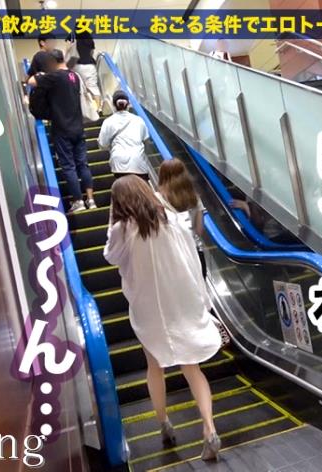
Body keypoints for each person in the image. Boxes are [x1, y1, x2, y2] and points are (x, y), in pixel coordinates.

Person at [103, 175, 222, 461]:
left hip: (148, 308)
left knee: (154, 366)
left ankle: (164, 424)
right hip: (181, 301)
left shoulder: (122, 228)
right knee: (192, 367)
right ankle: (209, 429)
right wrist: (203, 299)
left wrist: (112, 218)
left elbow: (111, 256)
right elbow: (192, 258)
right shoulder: (171, 218)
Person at [27, 49, 95, 213]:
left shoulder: (55, 76)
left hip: (62, 129)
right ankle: (91, 200)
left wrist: (42, 74)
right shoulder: (74, 76)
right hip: (78, 128)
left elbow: (31, 81)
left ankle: (78, 201)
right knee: (83, 164)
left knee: (69, 166)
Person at [157, 159, 206, 275]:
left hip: (172, 255)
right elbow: (199, 230)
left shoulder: (156, 199)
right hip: (195, 252)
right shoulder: (195, 198)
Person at [97, 90, 151, 181]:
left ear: (113, 105)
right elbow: (146, 140)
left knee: (124, 188)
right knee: (140, 188)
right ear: (128, 104)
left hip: (119, 164)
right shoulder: (139, 120)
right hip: (138, 162)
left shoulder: (108, 122)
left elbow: (102, 144)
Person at [66, 31, 101, 111]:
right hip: (90, 65)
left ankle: (78, 109)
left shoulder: (72, 34)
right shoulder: (88, 35)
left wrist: (66, 60)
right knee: (93, 87)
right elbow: (92, 51)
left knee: (76, 88)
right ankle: (98, 109)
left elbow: (68, 48)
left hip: (76, 65)